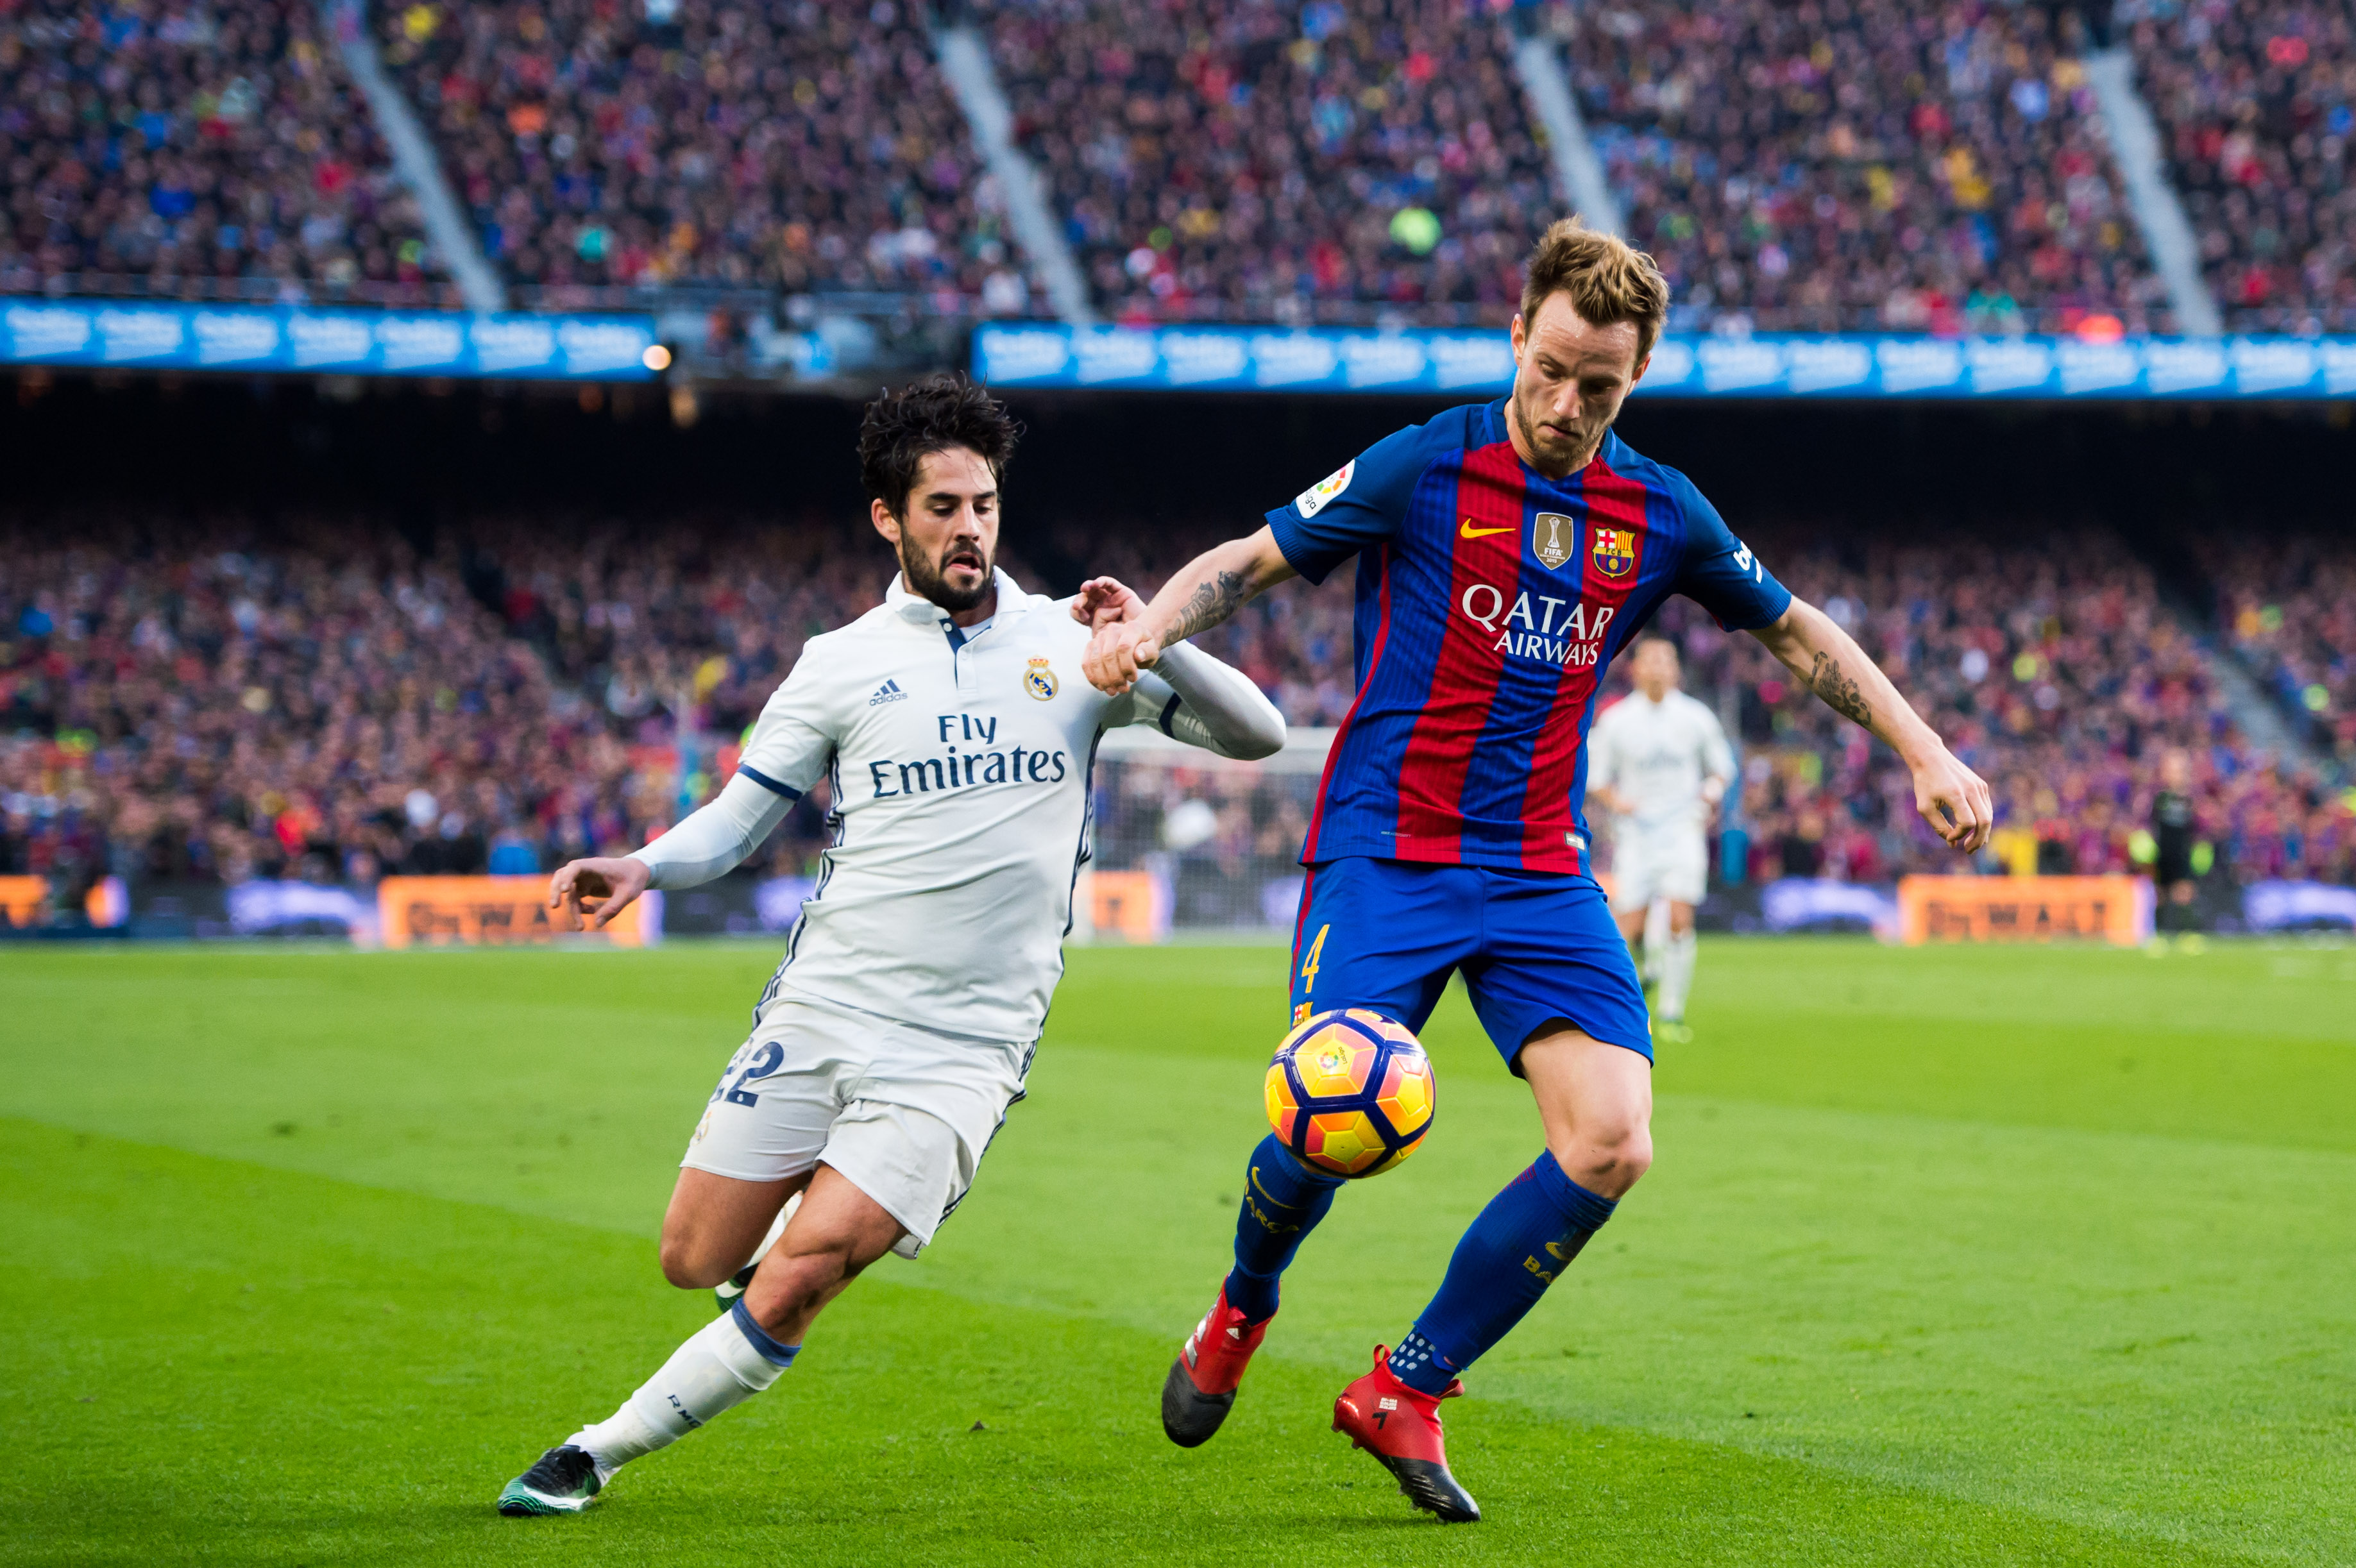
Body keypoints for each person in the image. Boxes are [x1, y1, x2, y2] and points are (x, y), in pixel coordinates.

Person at [1078, 217, 1991, 1523]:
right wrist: (1150, 629)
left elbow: (1796, 632)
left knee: (1614, 1141)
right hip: (1386, 848)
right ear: (1515, 335)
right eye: (1550, 369)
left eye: (1598, 387)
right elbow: (1252, 560)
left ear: (1637, 377)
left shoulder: (1660, 510)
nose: (1565, 406)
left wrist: (1926, 750)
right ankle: (1243, 1301)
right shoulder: (1425, 461)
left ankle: (1405, 1386)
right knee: (1321, 1121)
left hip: (1535, 873)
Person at [493, 374, 1286, 1517]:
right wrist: (642, 867)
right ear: (887, 517)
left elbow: (1258, 735)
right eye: (942, 508)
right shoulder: (837, 662)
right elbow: (739, 821)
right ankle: (782, 1231)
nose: (969, 529)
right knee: (694, 1256)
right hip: (826, 1004)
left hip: (963, 1044)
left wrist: (1152, 639)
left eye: (984, 506)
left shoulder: (1069, 642)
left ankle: (591, 1454)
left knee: (804, 1271)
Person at [1585, 636, 1734, 1042]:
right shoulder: (1617, 721)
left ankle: (1671, 1012)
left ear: (1676, 669)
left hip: (1682, 830)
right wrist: (1619, 802)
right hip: (1636, 835)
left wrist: (1709, 795)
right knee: (1628, 925)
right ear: (1634, 669)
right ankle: (1629, 996)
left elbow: (1722, 768)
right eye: (1649, 660)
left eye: (1664, 660)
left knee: (1680, 919)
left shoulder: (1695, 717)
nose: (1657, 668)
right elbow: (1596, 777)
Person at [2150, 746, 2201, 947]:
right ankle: (2159, 935)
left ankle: (2187, 934)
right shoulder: (2158, 797)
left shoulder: (2191, 798)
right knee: (2161, 894)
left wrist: (2200, 847)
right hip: (2162, 852)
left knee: (2185, 892)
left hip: (2183, 852)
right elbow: (2147, 823)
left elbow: (2199, 827)